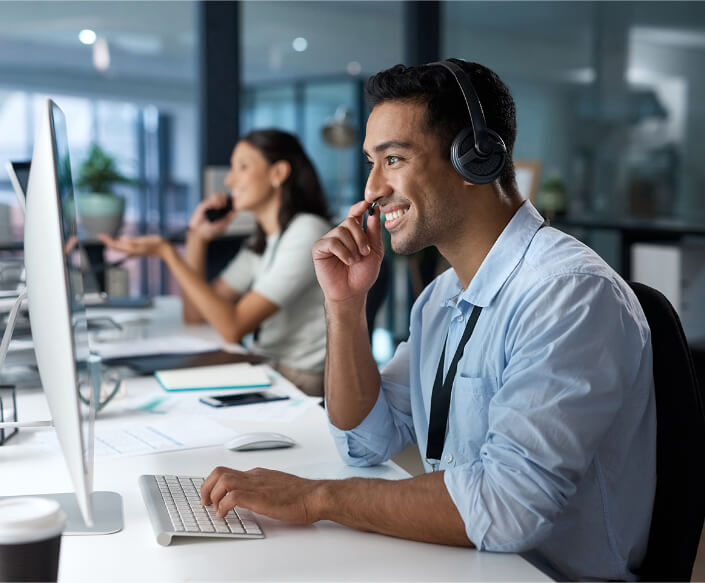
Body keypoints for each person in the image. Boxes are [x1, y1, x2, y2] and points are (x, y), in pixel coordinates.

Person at [199, 60, 656, 581]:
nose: (371, 187)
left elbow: (508, 507)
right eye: (371, 162)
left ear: (474, 160)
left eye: (393, 159)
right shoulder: (442, 297)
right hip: (459, 559)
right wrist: (345, 306)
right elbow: (365, 441)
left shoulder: (568, 295)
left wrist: (317, 497)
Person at [100, 129, 331, 396]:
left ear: (278, 173)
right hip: (268, 367)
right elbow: (196, 315)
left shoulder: (307, 232)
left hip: (299, 380)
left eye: (242, 167)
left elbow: (232, 327)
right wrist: (197, 238)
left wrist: (168, 253)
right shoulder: (263, 239)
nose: (231, 180)